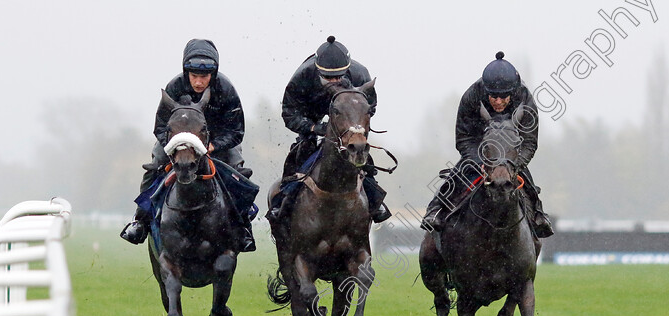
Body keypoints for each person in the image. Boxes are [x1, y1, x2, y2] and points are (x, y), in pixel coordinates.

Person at [121, 39, 257, 251]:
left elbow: (236, 131)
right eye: (194, 76)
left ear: (213, 74)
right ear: (186, 73)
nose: (199, 82)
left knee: (237, 168)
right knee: (155, 162)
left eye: (204, 77)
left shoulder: (226, 89)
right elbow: (160, 127)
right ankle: (140, 220)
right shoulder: (174, 87)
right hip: (178, 142)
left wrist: (212, 146)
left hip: (216, 142)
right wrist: (176, 147)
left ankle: (243, 226)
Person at [421, 51, 554, 238]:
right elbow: (464, 138)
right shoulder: (472, 96)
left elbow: (529, 142)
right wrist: (482, 162)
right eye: (493, 97)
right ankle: (435, 210)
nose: (498, 102)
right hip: (479, 148)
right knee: (456, 176)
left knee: (528, 183)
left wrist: (513, 164)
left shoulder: (525, 98)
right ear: (486, 91)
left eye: (503, 97)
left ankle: (538, 216)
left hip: (510, 153)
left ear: (512, 92)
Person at [266, 35, 391, 224]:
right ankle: (283, 202)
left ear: (347, 69)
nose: (334, 81)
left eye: (338, 76)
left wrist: (353, 126)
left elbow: (369, 107)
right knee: (296, 158)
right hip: (314, 127)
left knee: (365, 160)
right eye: (328, 77)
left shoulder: (360, 74)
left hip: (348, 129)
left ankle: (375, 201)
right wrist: (314, 127)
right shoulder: (302, 76)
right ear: (318, 70)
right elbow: (289, 113)